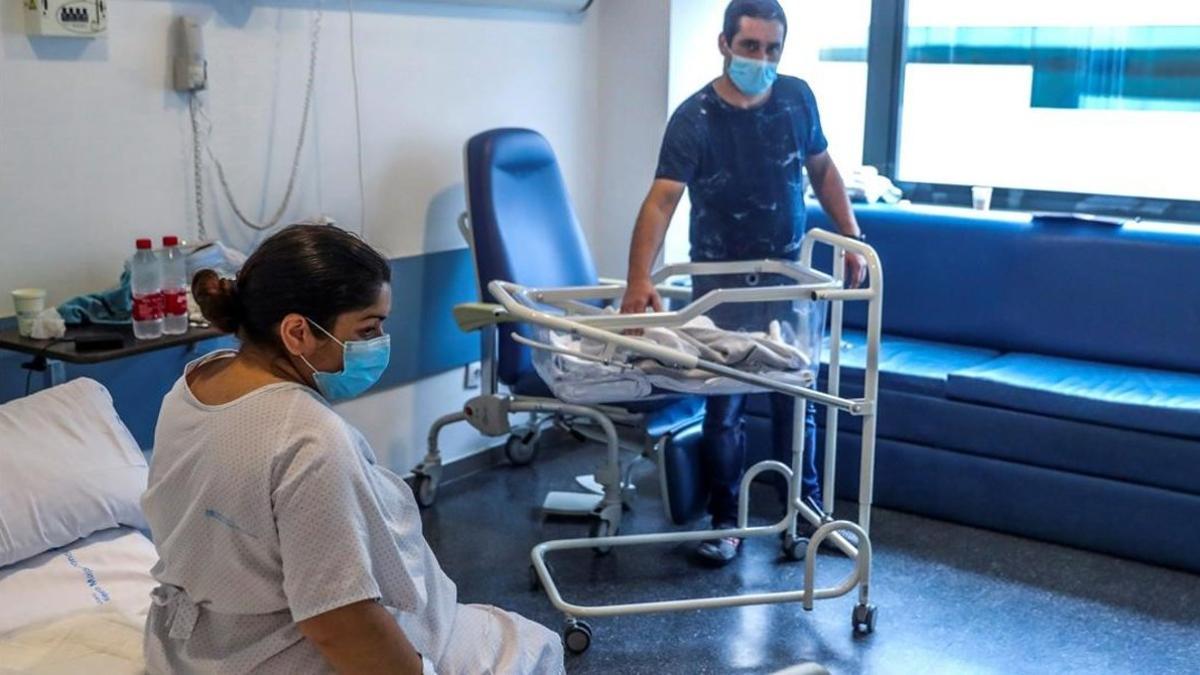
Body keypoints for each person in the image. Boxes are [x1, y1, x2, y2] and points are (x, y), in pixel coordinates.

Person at [141, 224, 564, 674]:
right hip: (275, 656)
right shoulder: (309, 440)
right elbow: (339, 622)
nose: (378, 346)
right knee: (531, 646)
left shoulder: (196, 383)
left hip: (190, 647)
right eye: (368, 329)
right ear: (297, 332)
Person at [620, 0, 867, 565]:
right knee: (723, 405)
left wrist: (851, 235)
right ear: (725, 44)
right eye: (750, 46)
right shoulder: (695, 118)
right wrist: (639, 280)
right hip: (720, 285)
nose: (761, 58)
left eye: (771, 49)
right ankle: (726, 521)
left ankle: (806, 519)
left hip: (786, 278)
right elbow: (661, 202)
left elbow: (822, 168)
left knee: (796, 399)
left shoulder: (796, 99)